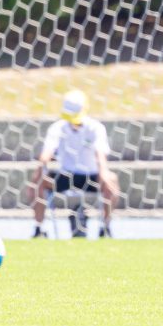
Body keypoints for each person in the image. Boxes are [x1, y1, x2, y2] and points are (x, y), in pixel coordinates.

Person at [29, 89, 121, 238]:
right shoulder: (57, 128)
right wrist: (41, 169)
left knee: (112, 180)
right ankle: (39, 228)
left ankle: (105, 227)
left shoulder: (95, 128)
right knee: (36, 183)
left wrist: (104, 173)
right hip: (65, 175)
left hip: (91, 175)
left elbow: (100, 155)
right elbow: (47, 153)